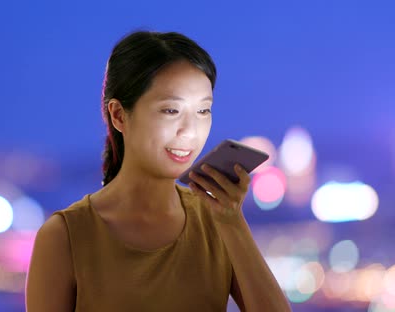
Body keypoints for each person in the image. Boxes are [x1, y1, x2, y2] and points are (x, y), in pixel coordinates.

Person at [26, 30, 291, 311]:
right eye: (170, 111)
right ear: (118, 115)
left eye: (203, 111)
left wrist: (233, 223)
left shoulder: (215, 220)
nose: (190, 132)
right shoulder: (64, 237)